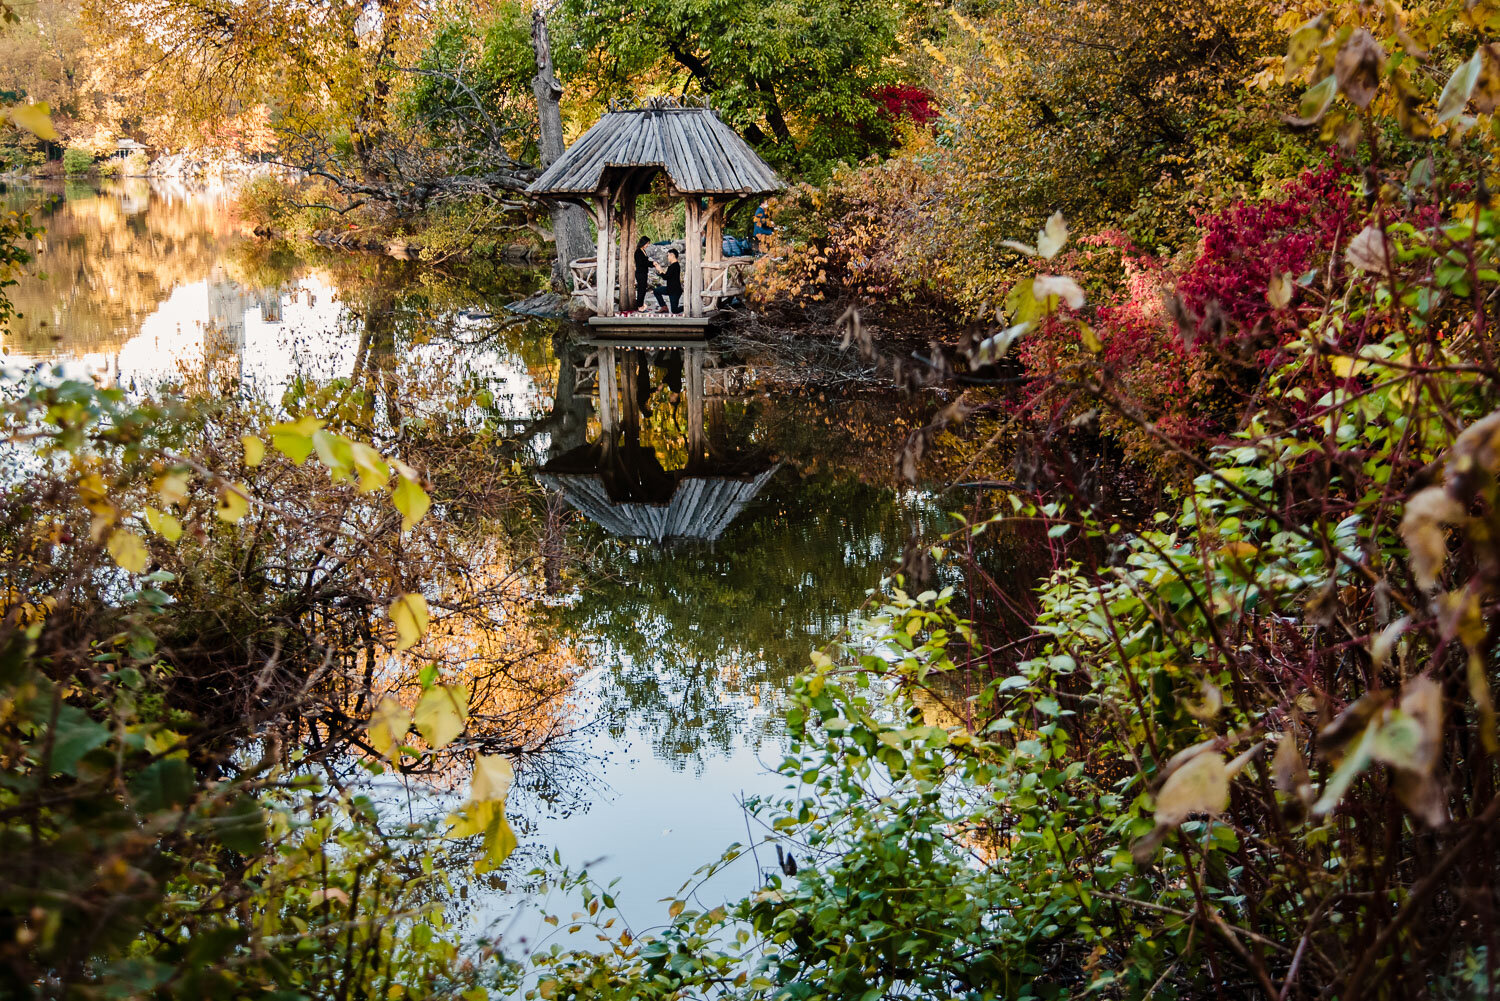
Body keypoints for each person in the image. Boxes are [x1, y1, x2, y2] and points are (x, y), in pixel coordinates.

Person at [652, 249, 683, 314]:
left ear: (672, 255)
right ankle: (664, 307)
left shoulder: (675, 266)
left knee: (674, 310)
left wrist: (660, 270)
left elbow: (666, 277)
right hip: (669, 289)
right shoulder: (672, 266)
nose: (667, 257)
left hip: (675, 291)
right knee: (656, 291)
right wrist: (660, 270)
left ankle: (686, 307)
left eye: (668, 255)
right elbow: (667, 275)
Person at [632, 236, 651, 310]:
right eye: (647, 243)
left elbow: (646, 262)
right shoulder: (638, 252)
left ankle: (641, 304)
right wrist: (652, 264)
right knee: (641, 289)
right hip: (640, 273)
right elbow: (643, 263)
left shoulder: (643, 251)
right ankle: (639, 306)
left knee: (643, 289)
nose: (648, 245)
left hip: (644, 272)